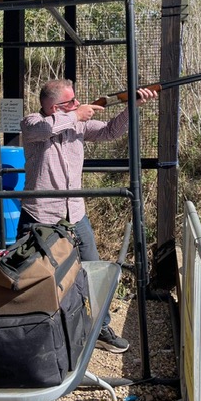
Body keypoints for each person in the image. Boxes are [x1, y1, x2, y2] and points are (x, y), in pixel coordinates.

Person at [17, 78, 158, 353]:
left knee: (94, 271)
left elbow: (110, 132)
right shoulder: (32, 122)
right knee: (34, 277)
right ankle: (34, 335)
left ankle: (101, 327)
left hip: (75, 214)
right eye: (71, 101)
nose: (78, 103)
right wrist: (75, 115)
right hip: (40, 216)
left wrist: (132, 107)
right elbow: (46, 129)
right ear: (53, 106)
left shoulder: (78, 124)